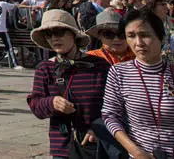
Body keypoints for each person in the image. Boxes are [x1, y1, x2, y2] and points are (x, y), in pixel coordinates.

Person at [26, 9, 109, 159]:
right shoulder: (45, 68)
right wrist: (52, 103)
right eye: (48, 34)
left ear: (74, 34)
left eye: (59, 32)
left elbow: (115, 104)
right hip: (62, 146)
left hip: (97, 144)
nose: (54, 38)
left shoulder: (99, 65)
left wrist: (99, 128)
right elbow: (35, 104)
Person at [101, 8, 174, 159]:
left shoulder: (171, 72)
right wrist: (135, 151)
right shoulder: (118, 73)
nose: (138, 43)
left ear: (161, 38)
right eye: (131, 36)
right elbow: (110, 115)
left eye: (145, 35)